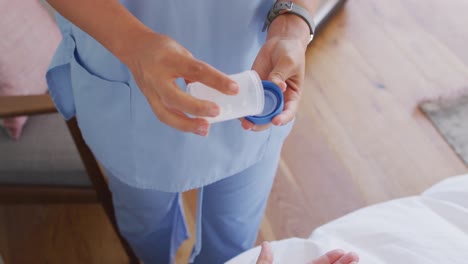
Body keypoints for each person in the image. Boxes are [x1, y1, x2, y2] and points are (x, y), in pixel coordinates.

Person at [45, 0, 349, 263]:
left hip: (254, 66)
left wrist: (294, 24)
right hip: (125, 69)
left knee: (233, 235)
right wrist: (133, 43)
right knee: (146, 227)